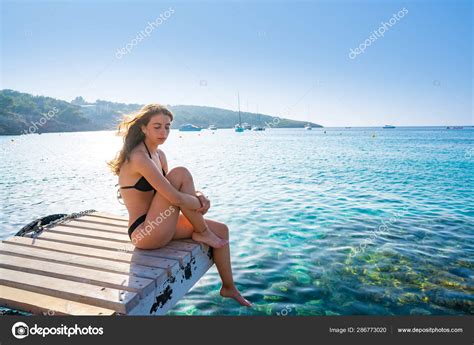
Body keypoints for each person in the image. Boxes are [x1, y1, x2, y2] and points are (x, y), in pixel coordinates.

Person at [108, 104, 251, 306]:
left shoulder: (159, 155)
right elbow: (175, 197)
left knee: (221, 230)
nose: (163, 132)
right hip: (144, 231)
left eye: (167, 127)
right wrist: (199, 202)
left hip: (161, 223)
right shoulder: (139, 157)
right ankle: (202, 231)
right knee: (181, 172)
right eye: (157, 126)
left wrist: (199, 196)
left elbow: (171, 192)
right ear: (143, 128)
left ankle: (228, 287)